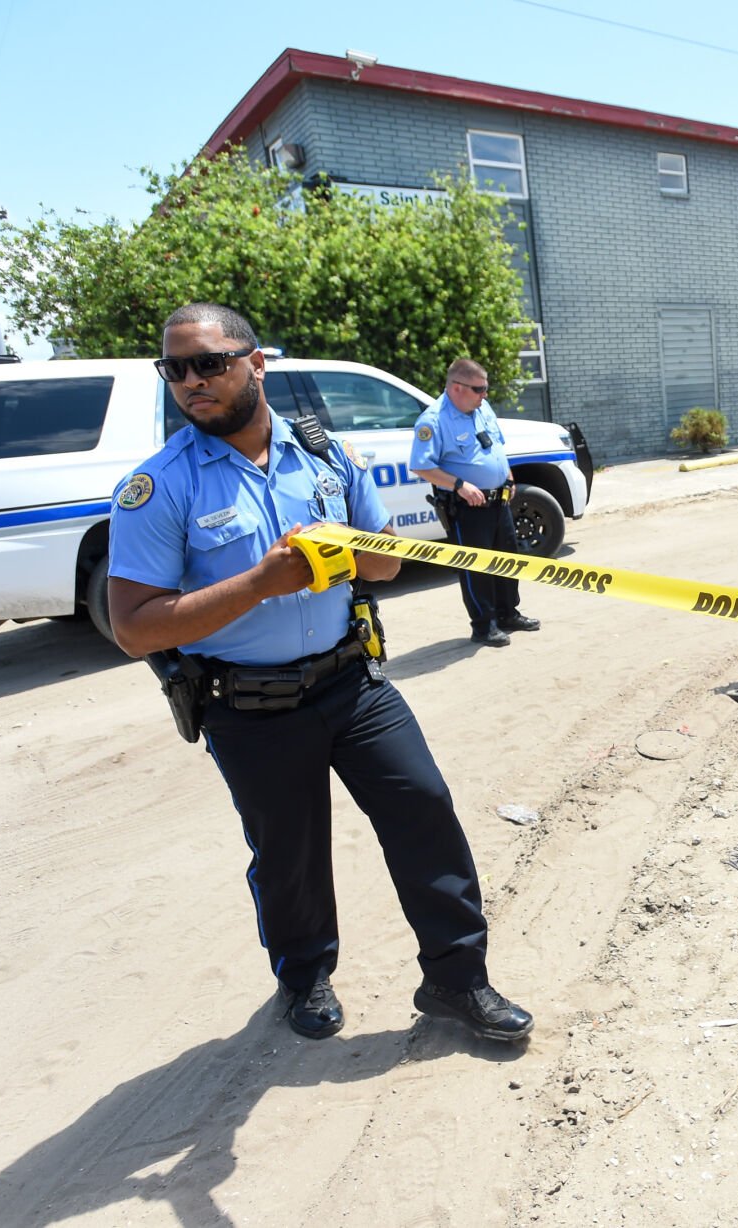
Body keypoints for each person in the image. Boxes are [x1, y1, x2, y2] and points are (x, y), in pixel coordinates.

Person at [107, 303, 533, 1046]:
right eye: (174, 369)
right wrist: (260, 582)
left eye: (210, 362)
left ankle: (458, 979)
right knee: (290, 855)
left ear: (256, 363)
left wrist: (343, 550)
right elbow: (135, 627)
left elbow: (386, 561)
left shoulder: (325, 454)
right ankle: (304, 976)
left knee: (425, 811)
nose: (191, 381)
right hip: (250, 706)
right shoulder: (159, 485)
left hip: (352, 683)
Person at [408, 358, 542, 647]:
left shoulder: (481, 408)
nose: (485, 395)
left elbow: (495, 446)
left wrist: (507, 476)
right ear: (457, 387)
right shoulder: (433, 420)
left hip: (499, 501)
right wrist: (459, 485)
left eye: (485, 389)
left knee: (509, 559)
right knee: (477, 567)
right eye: (479, 389)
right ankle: (484, 625)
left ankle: (509, 614)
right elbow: (421, 466)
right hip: (466, 508)